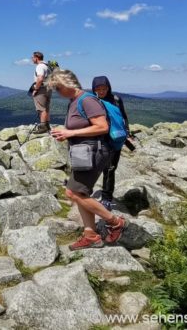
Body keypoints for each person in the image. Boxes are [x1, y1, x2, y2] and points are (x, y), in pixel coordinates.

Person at [47, 69, 126, 250]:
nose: (58, 93)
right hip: (84, 153)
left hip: (95, 152)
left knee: (72, 193)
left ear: (67, 84)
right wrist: (67, 134)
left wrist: (71, 132)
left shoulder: (87, 100)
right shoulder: (74, 101)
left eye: (58, 88)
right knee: (82, 193)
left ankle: (115, 222)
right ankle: (90, 235)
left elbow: (102, 126)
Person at [91, 76, 132, 211]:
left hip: (115, 139)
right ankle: (83, 189)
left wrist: (127, 132)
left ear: (108, 87)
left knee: (110, 169)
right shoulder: (91, 101)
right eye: (98, 89)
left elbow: (123, 117)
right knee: (92, 166)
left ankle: (106, 198)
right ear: (94, 89)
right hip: (99, 138)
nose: (102, 91)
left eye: (104, 88)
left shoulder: (116, 100)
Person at [31, 52, 53, 133]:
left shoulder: (40, 66)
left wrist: (36, 89)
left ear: (36, 58)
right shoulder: (47, 66)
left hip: (41, 89)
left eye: (32, 57)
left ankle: (43, 126)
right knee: (46, 108)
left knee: (41, 108)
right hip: (48, 88)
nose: (32, 59)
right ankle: (47, 125)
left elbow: (40, 78)